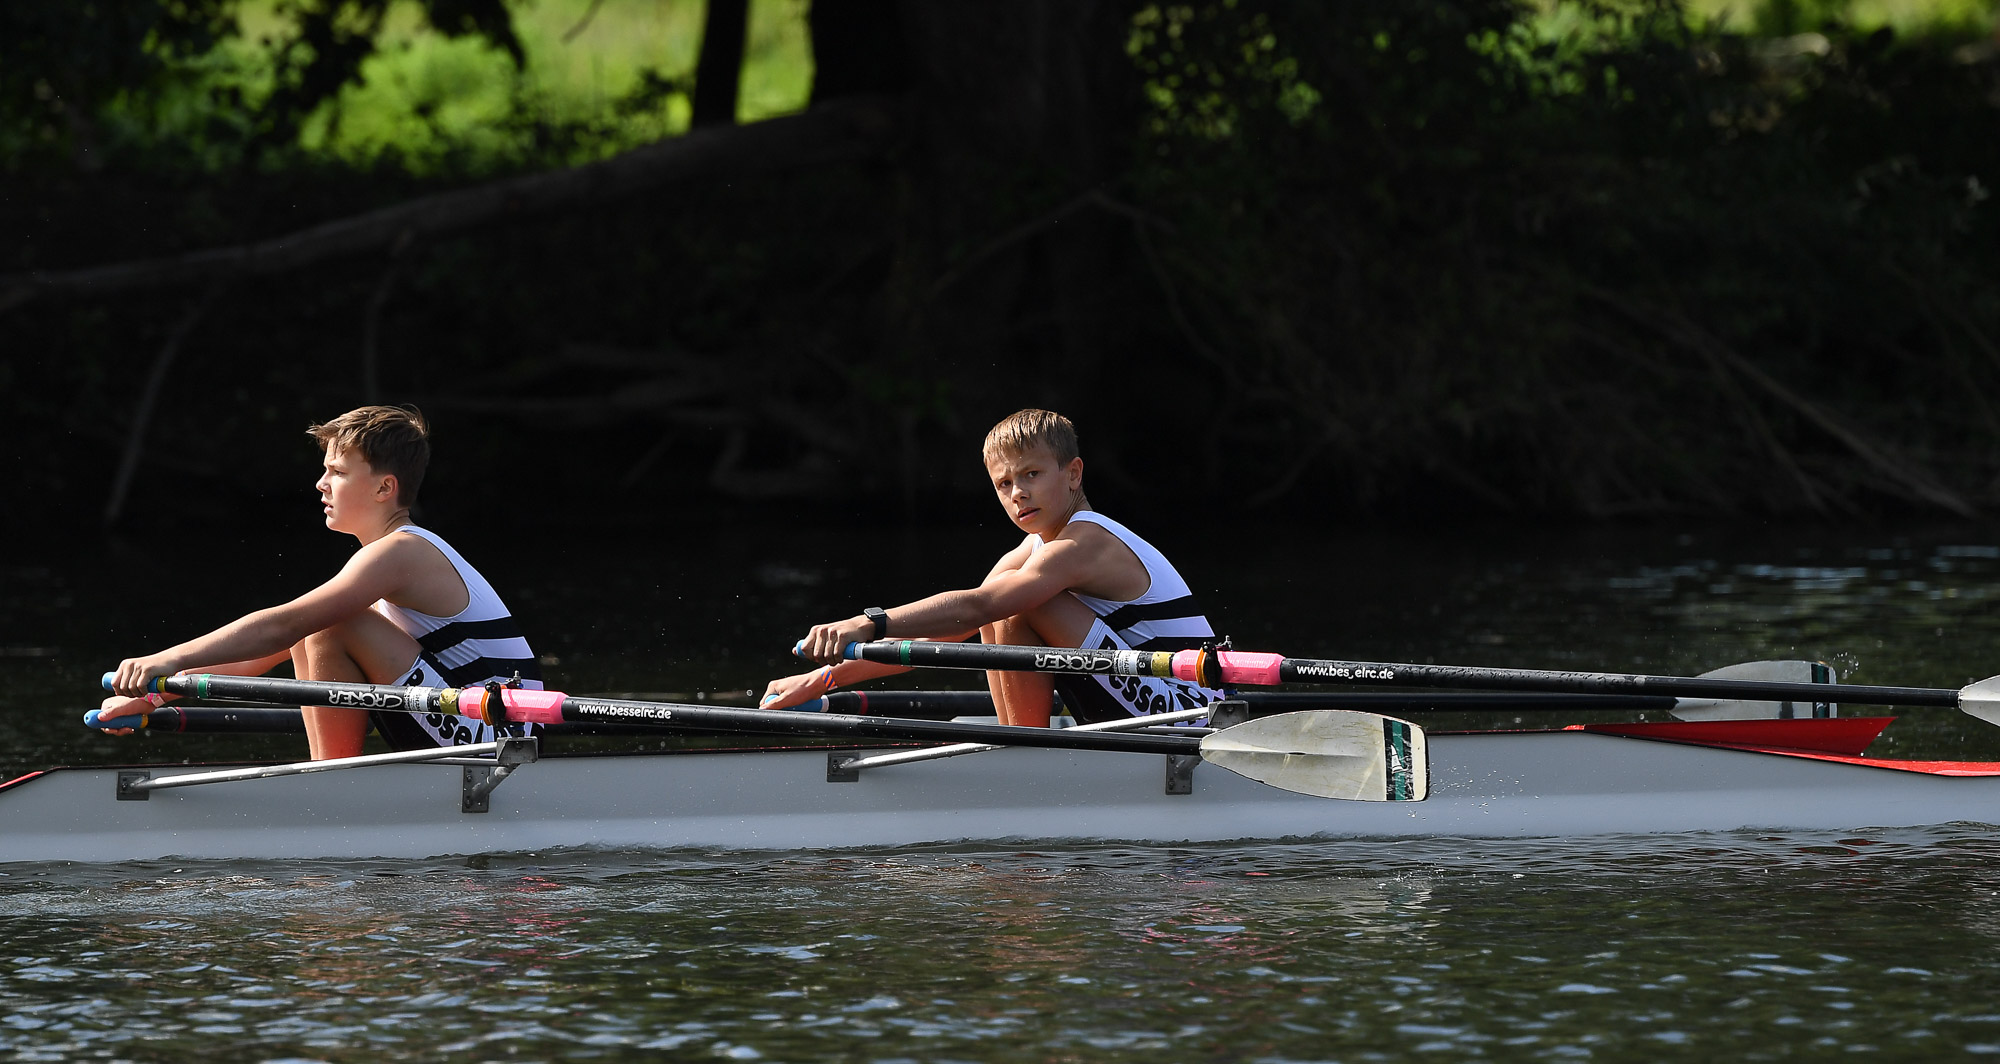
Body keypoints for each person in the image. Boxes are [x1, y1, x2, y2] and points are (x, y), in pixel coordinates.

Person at [100, 405, 542, 759]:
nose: (320, 483)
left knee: (327, 624)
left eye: (338, 472)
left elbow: (282, 625)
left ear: (384, 488)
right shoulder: (383, 559)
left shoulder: (401, 552)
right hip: (472, 725)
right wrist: (156, 693)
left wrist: (167, 657)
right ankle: (331, 779)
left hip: (506, 734)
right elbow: (262, 655)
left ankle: (331, 784)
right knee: (319, 628)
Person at [763, 408, 1219, 726]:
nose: (1018, 492)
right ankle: (1023, 747)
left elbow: (980, 606)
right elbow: (947, 633)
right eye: (1004, 484)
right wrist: (820, 678)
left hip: (1190, 712)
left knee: (1013, 604)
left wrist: (869, 622)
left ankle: (1025, 753)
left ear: (1074, 474)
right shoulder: (1034, 550)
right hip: (1145, 697)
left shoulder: (1087, 541)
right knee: (1005, 600)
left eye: (1032, 475)